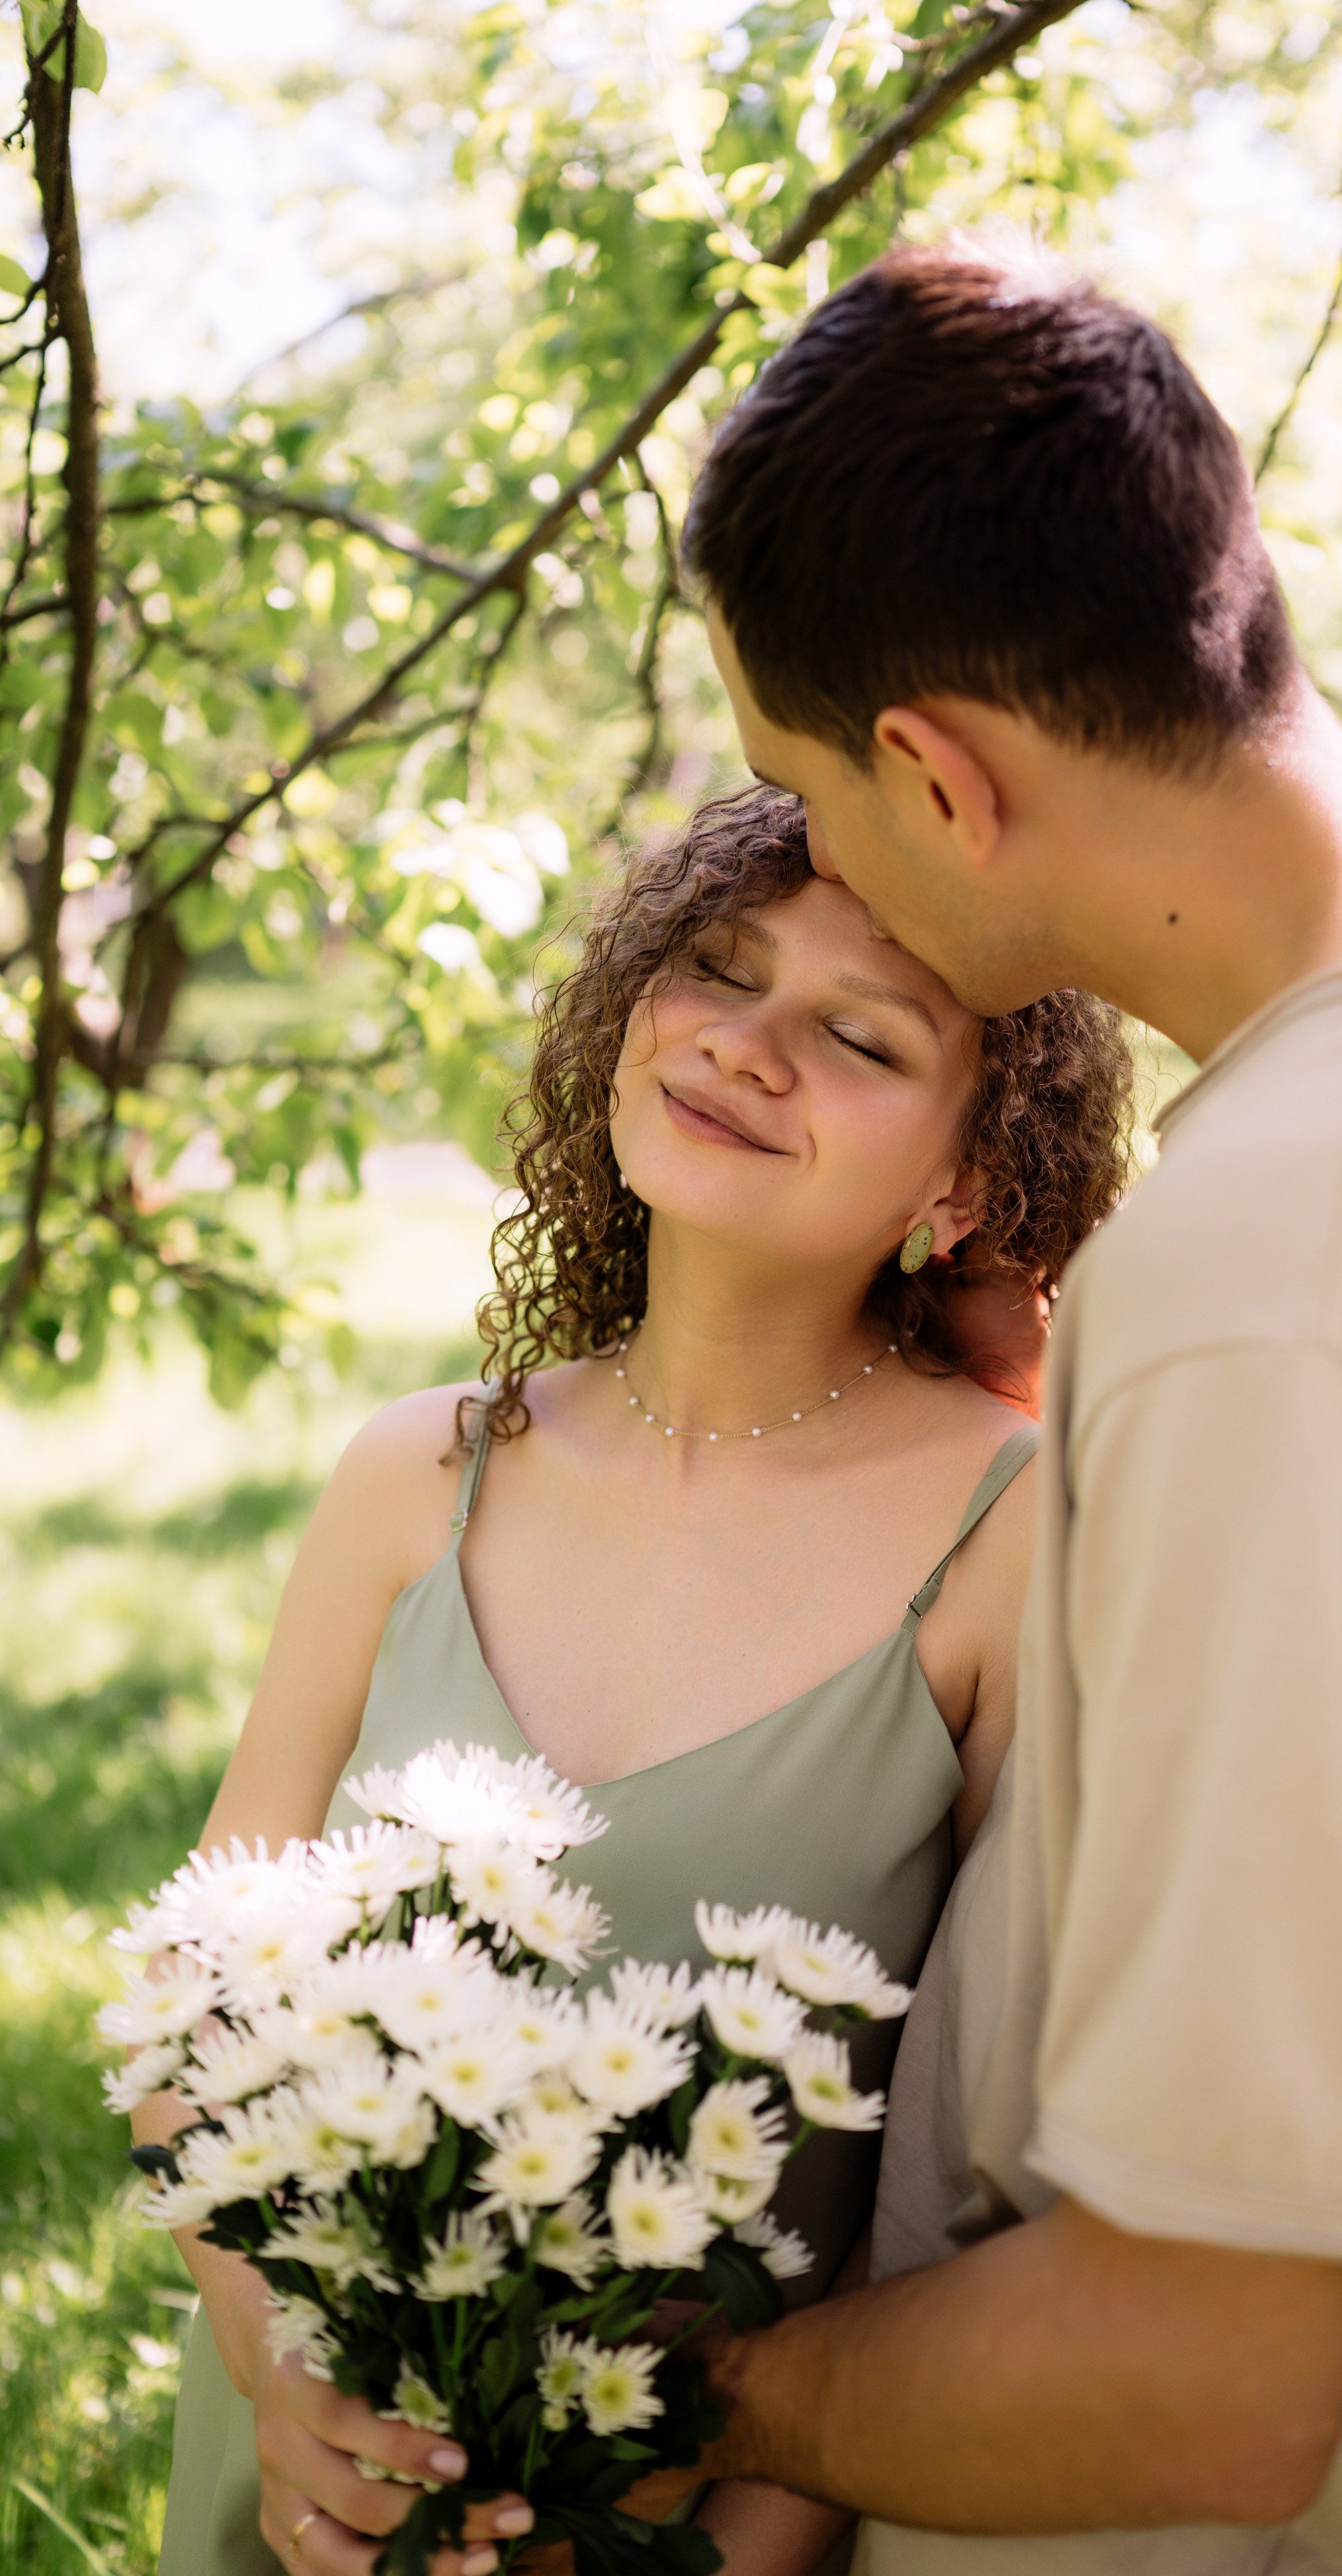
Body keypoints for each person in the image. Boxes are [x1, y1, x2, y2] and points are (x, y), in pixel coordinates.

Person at [661, 241, 1342, 2573]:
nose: (821, 857)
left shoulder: (1300, 1291)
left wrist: (700, 2386)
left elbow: (1201, 2373)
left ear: (934, 768)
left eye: (805, 791)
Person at [136, 784, 1132, 2576]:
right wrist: (272, 2368)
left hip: (704, 2521)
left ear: (964, 1177)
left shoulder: (1015, 1538)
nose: (746, 1048)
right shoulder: (414, 1476)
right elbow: (195, 1988)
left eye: (854, 1034)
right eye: (716, 970)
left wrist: (752, 2539)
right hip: (314, 2478)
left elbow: (958, 2180)